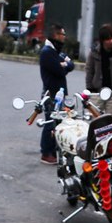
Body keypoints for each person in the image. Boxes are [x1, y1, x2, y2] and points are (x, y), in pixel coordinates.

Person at [38, 24, 75, 164]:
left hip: (59, 93)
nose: (64, 37)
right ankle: (46, 153)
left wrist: (64, 64)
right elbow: (59, 71)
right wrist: (63, 65)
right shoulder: (47, 52)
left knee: (58, 123)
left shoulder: (56, 52)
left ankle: (54, 151)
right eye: (62, 34)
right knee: (50, 123)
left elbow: (71, 65)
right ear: (56, 35)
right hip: (51, 94)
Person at [84, 23, 112, 117]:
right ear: (102, 40)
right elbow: (89, 70)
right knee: (94, 120)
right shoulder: (94, 51)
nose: (111, 41)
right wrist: (90, 88)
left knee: (110, 122)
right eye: (108, 39)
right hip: (97, 92)